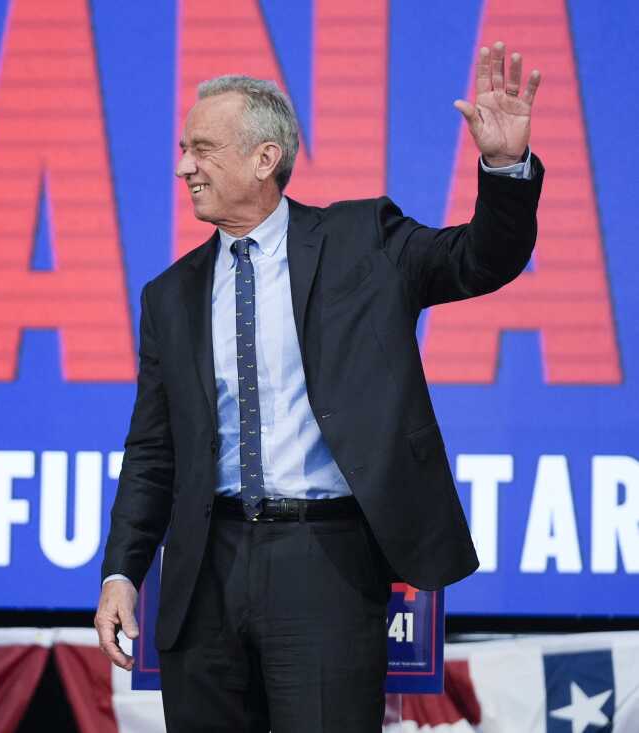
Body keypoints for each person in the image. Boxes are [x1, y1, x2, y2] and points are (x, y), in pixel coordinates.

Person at [96, 42, 543, 731]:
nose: (184, 167)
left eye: (202, 149)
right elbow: (152, 450)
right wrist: (121, 571)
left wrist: (505, 169)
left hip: (326, 563)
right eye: (184, 149)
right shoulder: (170, 295)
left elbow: (481, 259)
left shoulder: (362, 241)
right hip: (204, 570)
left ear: (264, 158)